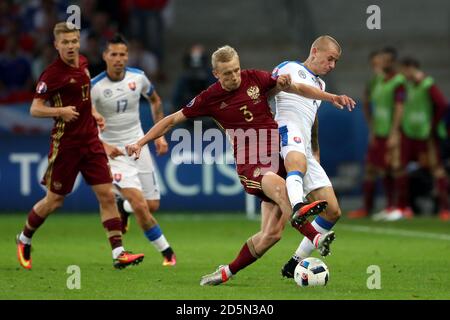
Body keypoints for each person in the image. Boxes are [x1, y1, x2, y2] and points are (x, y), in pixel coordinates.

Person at [126, 45, 354, 285]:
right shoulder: (209, 97)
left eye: (236, 70)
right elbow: (172, 120)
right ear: (216, 74)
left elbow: (296, 88)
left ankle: (227, 271)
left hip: (276, 154)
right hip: (253, 163)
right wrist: (141, 142)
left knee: (271, 235)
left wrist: (330, 97)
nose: (234, 76)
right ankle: (316, 238)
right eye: (227, 73)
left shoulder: (255, 77)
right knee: (283, 190)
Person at [15, 22, 144, 270]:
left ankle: (118, 252)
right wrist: (60, 111)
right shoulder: (52, 75)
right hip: (67, 145)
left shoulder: (83, 62)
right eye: (65, 42)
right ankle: (24, 238)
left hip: (91, 142)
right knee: (54, 201)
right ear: (56, 45)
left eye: (74, 41)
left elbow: (84, 97)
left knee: (107, 195)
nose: (71, 46)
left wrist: (94, 113)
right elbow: (35, 108)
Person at [271, 35, 355, 278]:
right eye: (330, 59)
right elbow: (297, 90)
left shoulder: (321, 86)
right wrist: (333, 98)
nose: (332, 66)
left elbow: (313, 117)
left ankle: (294, 262)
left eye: (336, 62)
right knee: (296, 164)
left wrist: (315, 149)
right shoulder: (289, 68)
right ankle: (298, 207)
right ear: (315, 51)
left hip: (305, 143)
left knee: (333, 211)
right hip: (286, 130)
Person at [91, 34, 176, 266]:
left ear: (128, 56)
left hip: (139, 146)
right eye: (114, 54)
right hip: (115, 154)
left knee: (152, 206)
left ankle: (123, 208)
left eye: (123, 54)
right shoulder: (95, 87)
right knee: (140, 205)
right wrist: (104, 145)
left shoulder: (138, 78)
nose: (119, 59)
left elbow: (156, 101)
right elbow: (84, 122)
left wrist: (159, 137)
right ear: (105, 56)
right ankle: (168, 254)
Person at [347, 47, 407, 220]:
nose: (382, 63)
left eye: (386, 60)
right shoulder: (376, 81)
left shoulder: (399, 81)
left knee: (395, 167)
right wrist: (372, 128)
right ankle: (372, 207)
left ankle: (401, 208)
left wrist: (395, 132)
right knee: (373, 169)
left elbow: (400, 108)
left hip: (394, 132)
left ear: (392, 62)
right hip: (378, 133)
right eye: (381, 60)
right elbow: (366, 102)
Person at [398, 57, 450, 221]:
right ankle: (404, 208)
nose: (403, 74)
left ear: (411, 68)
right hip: (409, 133)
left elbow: (442, 105)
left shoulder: (428, 84)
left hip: (426, 136)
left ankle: (445, 208)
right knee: (401, 168)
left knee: (437, 169)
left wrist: (432, 125)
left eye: (404, 70)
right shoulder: (408, 85)